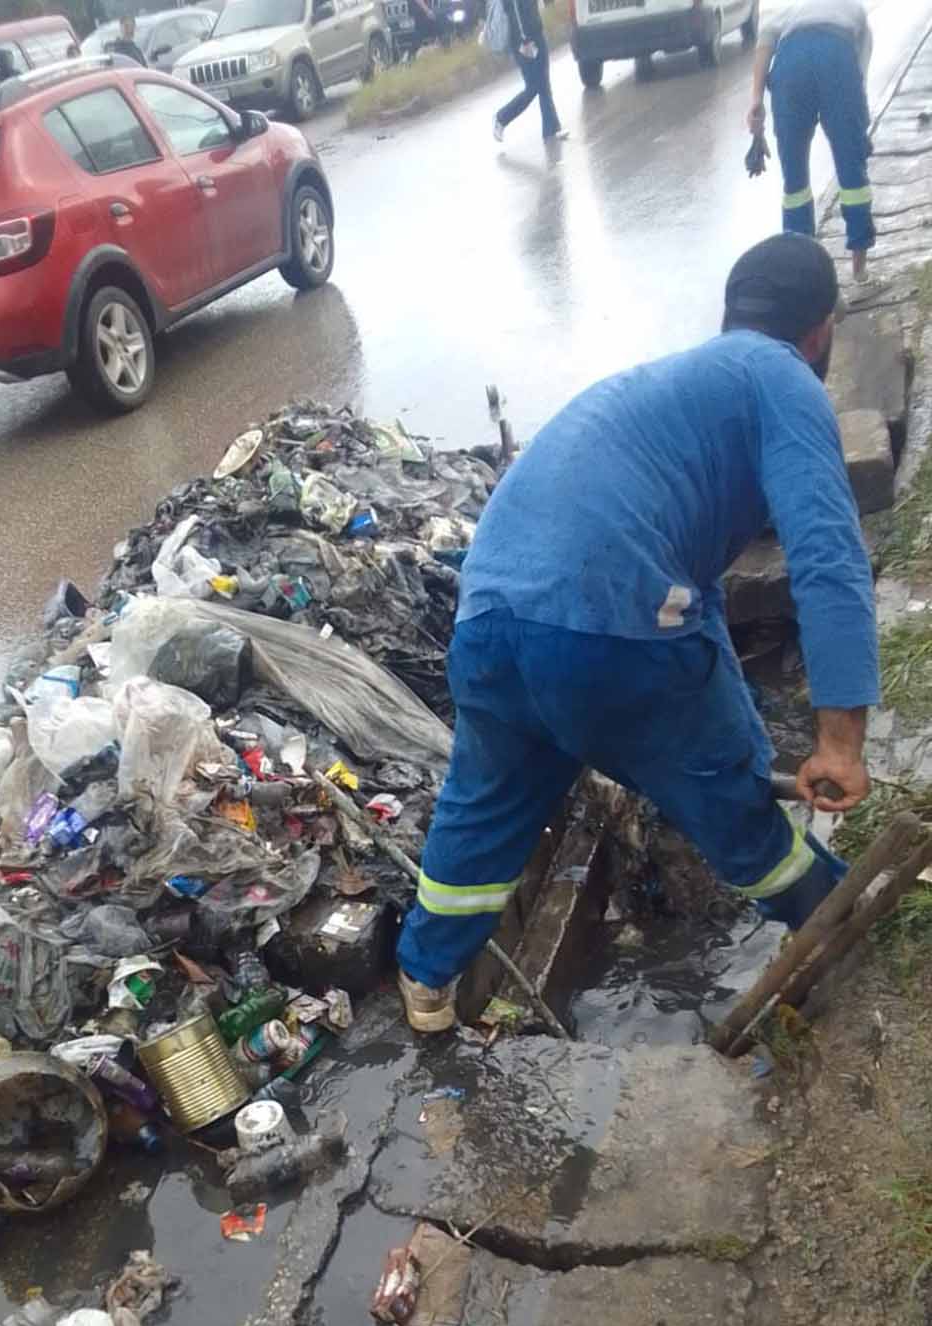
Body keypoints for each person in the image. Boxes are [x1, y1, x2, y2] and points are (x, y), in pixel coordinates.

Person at [396, 234, 878, 1033]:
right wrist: (839, 743)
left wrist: (735, 722)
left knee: (483, 813)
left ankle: (425, 990)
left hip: (487, 624)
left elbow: (700, 598)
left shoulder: (664, 390)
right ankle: (841, 925)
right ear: (821, 331)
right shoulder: (780, 377)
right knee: (732, 802)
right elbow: (828, 559)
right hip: (607, 629)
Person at [748, 1, 874, 282]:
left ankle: (802, 274)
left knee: (795, 183)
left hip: (790, 64)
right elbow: (859, 77)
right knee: (851, 168)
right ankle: (859, 270)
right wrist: (858, 130)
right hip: (837, 57)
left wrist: (756, 101)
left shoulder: (786, 7)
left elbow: (765, 42)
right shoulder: (854, 10)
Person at [493, 0, 566, 146]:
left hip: (533, 35)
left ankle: (551, 130)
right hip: (526, 41)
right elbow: (516, 13)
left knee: (543, 85)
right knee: (535, 87)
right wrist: (525, 40)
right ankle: (502, 117)